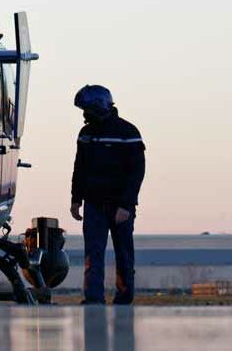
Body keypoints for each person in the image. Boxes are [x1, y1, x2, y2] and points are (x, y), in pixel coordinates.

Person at [69, 85, 146, 304]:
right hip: (94, 205)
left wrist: (126, 205)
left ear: (99, 106)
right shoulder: (86, 134)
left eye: (87, 109)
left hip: (120, 206)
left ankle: (124, 297)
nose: (84, 115)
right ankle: (93, 298)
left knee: (123, 253)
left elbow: (136, 173)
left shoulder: (128, 133)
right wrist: (76, 199)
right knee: (93, 254)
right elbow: (79, 168)